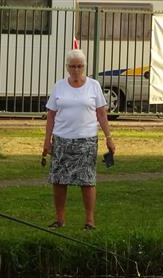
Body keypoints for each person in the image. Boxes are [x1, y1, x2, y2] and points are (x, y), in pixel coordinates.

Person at [42, 49, 117, 230]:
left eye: (80, 66)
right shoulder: (59, 86)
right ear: (67, 67)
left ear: (84, 67)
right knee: (59, 180)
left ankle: (89, 221)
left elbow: (101, 114)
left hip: (86, 140)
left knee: (87, 181)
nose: (76, 70)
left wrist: (109, 137)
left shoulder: (93, 86)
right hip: (62, 140)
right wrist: (47, 141)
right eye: (73, 66)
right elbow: (51, 115)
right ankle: (60, 219)